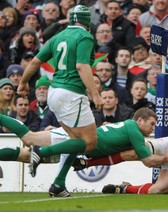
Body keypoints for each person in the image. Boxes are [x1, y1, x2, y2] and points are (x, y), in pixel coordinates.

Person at [0, 107, 168, 197]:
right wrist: (166, 159)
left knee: (24, 155)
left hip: (79, 140)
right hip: (76, 138)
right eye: (151, 124)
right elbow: (148, 161)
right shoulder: (135, 130)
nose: (153, 128)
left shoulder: (130, 130)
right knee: (29, 139)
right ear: (139, 120)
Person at [16, 5, 103, 182]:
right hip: (71, 93)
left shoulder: (57, 36)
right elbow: (82, 66)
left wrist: (23, 82)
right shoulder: (85, 36)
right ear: (87, 20)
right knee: (90, 142)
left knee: (74, 140)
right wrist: (95, 94)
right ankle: (41, 152)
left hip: (54, 92)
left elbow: (34, 62)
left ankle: (58, 184)